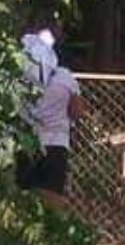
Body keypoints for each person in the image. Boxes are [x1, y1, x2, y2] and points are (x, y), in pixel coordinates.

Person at [16, 24, 87, 211]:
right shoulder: (65, 77)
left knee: (23, 198)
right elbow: (77, 112)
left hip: (26, 143)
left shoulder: (19, 77)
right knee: (52, 198)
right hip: (56, 145)